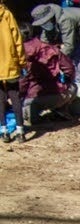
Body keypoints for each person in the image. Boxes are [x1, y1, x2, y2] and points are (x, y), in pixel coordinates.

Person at [19, 21, 76, 130]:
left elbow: (22, 82)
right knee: (74, 87)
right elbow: (69, 68)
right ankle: (60, 108)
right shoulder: (50, 48)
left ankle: (33, 116)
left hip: (32, 98)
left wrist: (16, 97)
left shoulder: (19, 54)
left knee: (27, 109)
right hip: (59, 94)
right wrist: (67, 81)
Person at [29, 3, 80, 84]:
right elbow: (44, 41)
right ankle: (78, 83)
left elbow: (69, 45)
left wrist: (54, 59)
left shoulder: (65, 19)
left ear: (50, 17)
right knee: (72, 57)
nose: (44, 25)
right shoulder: (48, 23)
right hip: (79, 34)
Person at [0, 0, 23, 143]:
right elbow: (17, 40)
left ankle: (4, 131)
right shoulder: (7, 14)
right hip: (10, 63)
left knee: (0, 99)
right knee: (15, 97)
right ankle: (21, 131)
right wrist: (21, 61)